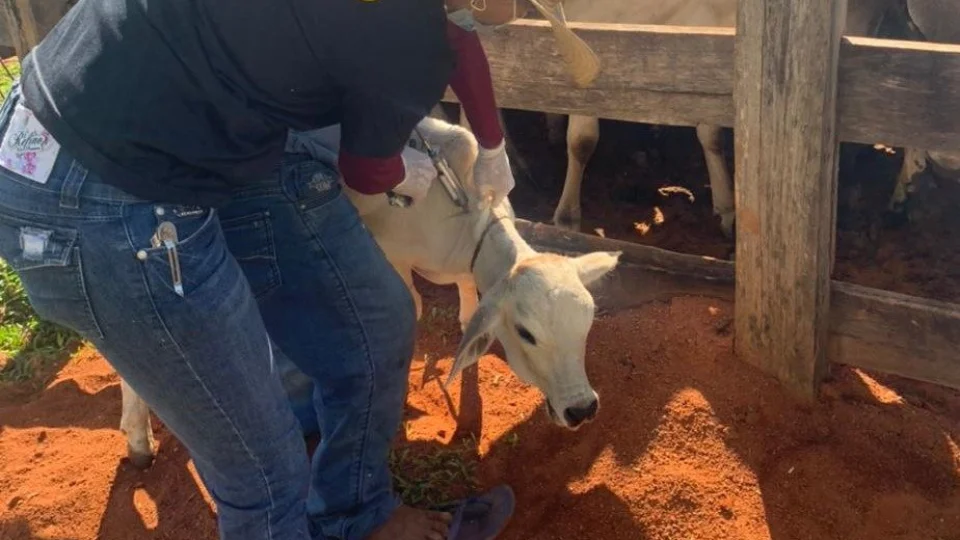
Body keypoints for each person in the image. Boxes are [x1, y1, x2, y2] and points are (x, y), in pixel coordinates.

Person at [0, 1, 530, 539]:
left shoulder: (412, 24)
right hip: (97, 191)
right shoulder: (403, 31)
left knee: (374, 323)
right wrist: (401, 170)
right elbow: (369, 170)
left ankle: (358, 515)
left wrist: (491, 142)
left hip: (173, 119)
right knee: (267, 477)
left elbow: (451, 33)